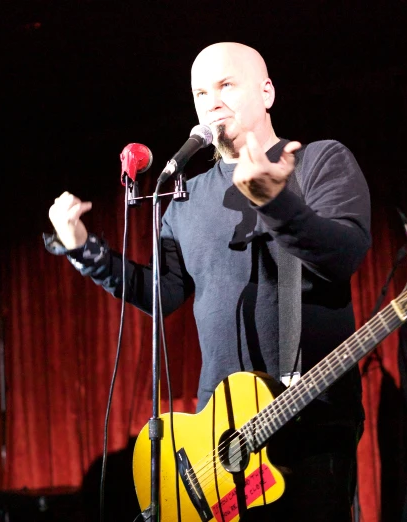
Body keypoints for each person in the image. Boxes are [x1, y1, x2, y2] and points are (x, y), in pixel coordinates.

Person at [45, 42, 371, 521]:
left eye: (225, 85)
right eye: (200, 92)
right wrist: (83, 250)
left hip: (310, 427)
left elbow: (342, 256)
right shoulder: (185, 197)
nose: (211, 101)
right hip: (220, 443)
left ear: (267, 92)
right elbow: (162, 294)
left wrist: (275, 201)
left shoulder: (318, 162)